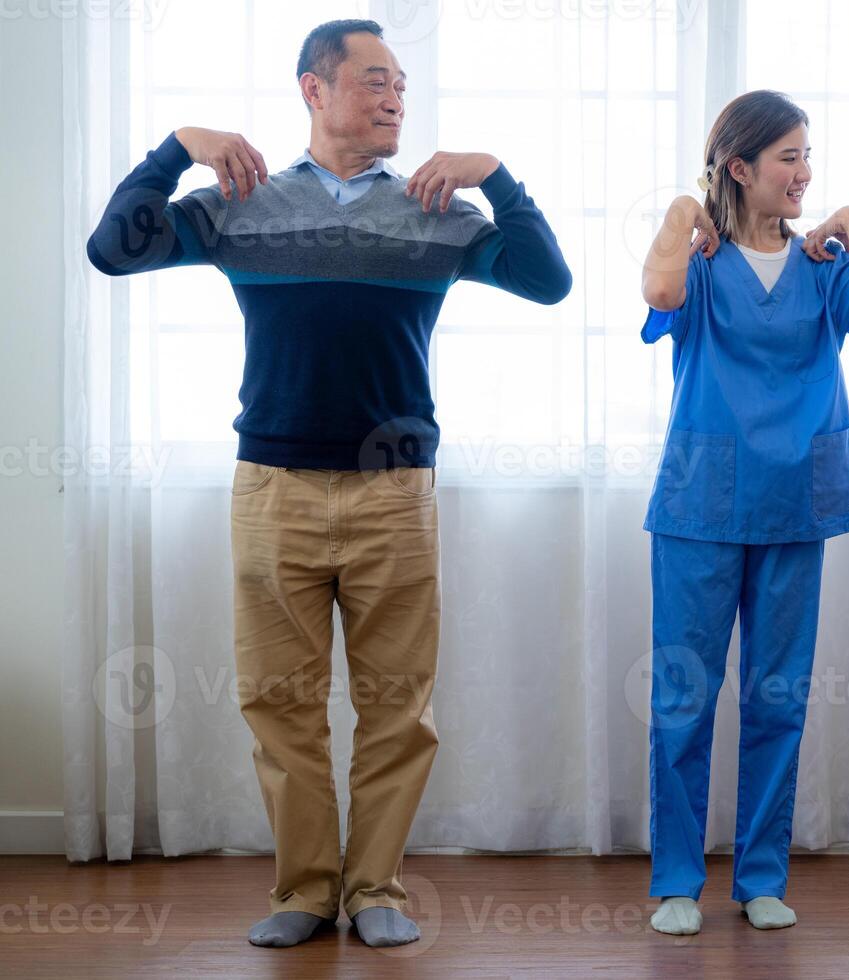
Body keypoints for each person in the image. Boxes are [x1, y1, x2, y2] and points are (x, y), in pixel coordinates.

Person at [86, 19, 571, 949]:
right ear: (314, 89)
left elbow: (547, 282)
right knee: (280, 701)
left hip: (396, 495)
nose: (396, 100)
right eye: (375, 81)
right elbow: (114, 250)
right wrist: (177, 148)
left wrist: (495, 176)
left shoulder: (434, 208)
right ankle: (306, 891)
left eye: (402, 86)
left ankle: (375, 887)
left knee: (397, 703)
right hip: (272, 489)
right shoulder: (241, 203)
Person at [638, 90, 849, 936]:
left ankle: (760, 876)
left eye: (807, 155)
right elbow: (656, 284)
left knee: (777, 698)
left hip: (795, 504)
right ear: (740, 166)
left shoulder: (825, 269)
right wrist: (687, 207)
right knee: (684, 699)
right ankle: (678, 882)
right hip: (700, 505)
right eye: (788, 156)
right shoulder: (700, 263)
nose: (802, 172)